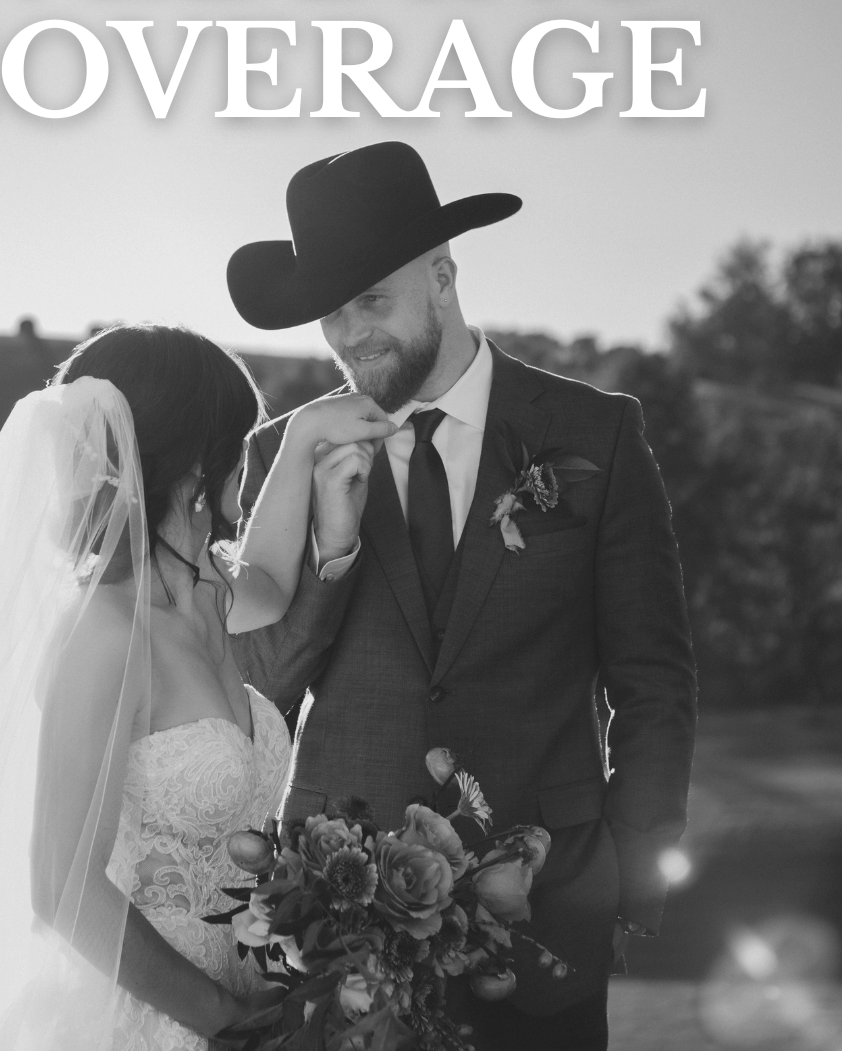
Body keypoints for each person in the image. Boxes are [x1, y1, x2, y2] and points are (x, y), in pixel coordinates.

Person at [0, 323, 393, 1051]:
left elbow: (276, 583)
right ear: (199, 461)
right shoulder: (104, 635)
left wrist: (307, 441)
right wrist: (233, 1025)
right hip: (152, 1021)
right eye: (240, 442)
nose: (245, 466)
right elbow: (62, 886)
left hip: (252, 999)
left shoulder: (212, 589)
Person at [227, 141, 698, 1051]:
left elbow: (654, 681)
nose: (350, 335)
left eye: (373, 300)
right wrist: (332, 550)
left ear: (442, 277)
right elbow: (260, 688)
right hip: (340, 920)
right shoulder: (288, 452)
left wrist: (630, 876)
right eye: (332, 312)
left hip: (547, 913)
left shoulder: (596, 435)